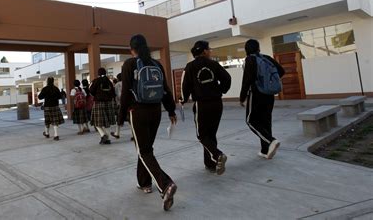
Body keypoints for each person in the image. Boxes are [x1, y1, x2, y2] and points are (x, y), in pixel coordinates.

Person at [119, 34, 178, 211]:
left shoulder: (129, 64)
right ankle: (145, 183)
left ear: (132, 49)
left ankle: (165, 184)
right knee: (146, 149)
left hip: (138, 112)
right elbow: (166, 90)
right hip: (156, 111)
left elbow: (125, 94)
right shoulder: (156, 64)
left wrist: (121, 116)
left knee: (143, 150)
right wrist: (171, 110)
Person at [181, 40, 232, 174]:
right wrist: (220, 90)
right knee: (211, 134)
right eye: (209, 49)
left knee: (202, 135)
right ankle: (210, 164)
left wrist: (183, 99)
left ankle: (217, 155)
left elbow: (185, 86)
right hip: (216, 103)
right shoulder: (214, 64)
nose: (210, 51)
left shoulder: (190, 67)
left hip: (201, 104)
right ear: (204, 51)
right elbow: (227, 78)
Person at [240, 39, 285, 159]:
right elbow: (281, 71)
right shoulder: (266, 58)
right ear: (258, 48)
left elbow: (247, 81)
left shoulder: (250, 59)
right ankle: (265, 151)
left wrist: (242, 98)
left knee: (251, 121)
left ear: (246, 49)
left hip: (256, 94)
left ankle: (271, 141)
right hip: (269, 95)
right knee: (265, 121)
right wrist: (267, 82)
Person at [90, 68, 117, 145]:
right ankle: (107, 139)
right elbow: (113, 93)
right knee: (107, 122)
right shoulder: (109, 81)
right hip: (108, 103)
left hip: (98, 103)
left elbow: (91, 91)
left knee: (96, 122)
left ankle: (103, 135)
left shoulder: (96, 81)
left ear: (98, 73)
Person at [111, 73, 123, 139]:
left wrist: (117, 103)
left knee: (119, 119)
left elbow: (116, 95)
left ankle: (117, 133)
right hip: (129, 103)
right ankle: (133, 134)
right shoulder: (127, 83)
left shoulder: (117, 85)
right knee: (130, 120)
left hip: (120, 104)